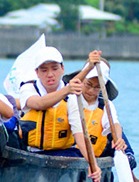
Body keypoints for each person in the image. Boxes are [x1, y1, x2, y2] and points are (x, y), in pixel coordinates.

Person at [18, 46, 101, 182]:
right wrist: (68, 89)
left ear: (63, 69)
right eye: (44, 70)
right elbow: (39, 103)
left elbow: (79, 134)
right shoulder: (28, 88)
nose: (50, 74)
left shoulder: (71, 97)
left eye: (55, 69)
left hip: (64, 154)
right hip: (33, 153)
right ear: (37, 73)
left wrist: (93, 164)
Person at [72, 52, 139, 182]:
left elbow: (114, 124)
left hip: (98, 148)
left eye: (97, 87)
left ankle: (131, 173)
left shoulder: (105, 105)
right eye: (88, 85)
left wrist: (118, 138)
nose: (91, 91)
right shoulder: (70, 98)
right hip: (73, 149)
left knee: (117, 136)